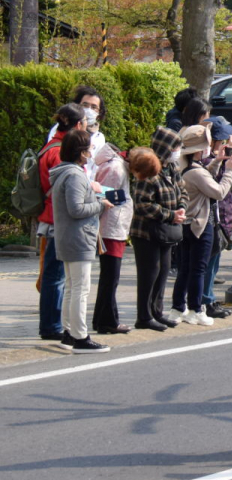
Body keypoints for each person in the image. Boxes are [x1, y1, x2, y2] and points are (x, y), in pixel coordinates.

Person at [50, 130, 116, 354]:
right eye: (88, 149)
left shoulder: (63, 172)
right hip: (79, 237)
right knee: (80, 289)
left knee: (72, 287)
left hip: (68, 236)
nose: (91, 152)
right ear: (81, 152)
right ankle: (80, 337)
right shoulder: (76, 175)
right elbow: (76, 209)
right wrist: (101, 205)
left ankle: (69, 333)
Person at [170, 125, 232, 326]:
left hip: (188, 224)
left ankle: (178, 307)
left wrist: (217, 162)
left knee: (185, 268)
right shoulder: (196, 172)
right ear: (199, 149)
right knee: (199, 269)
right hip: (201, 224)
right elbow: (218, 192)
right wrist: (229, 172)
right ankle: (196, 309)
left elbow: (204, 176)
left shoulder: (187, 167)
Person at [35, 103, 91, 343]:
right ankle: (53, 325)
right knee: (58, 278)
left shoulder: (50, 145)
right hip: (58, 220)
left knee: (56, 276)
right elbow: (69, 195)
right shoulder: (61, 152)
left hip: (50, 217)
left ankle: (55, 324)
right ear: (78, 125)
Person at [129, 137, 178, 331]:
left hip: (165, 230)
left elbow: (181, 190)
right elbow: (142, 204)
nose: (178, 151)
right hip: (146, 231)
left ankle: (157, 311)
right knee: (149, 272)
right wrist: (170, 215)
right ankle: (144, 316)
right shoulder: (147, 169)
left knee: (163, 270)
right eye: (175, 147)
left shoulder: (172, 168)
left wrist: (180, 208)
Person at [199, 116, 232, 319]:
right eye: (222, 141)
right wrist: (226, 166)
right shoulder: (204, 161)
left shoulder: (214, 159)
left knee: (213, 261)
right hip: (211, 217)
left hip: (220, 216)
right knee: (208, 262)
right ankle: (205, 299)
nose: (225, 145)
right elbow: (218, 188)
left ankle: (208, 298)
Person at [92, 142, 134, 335]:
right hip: (111, 226)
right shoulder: (116, 169)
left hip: (114, 225)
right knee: (111, 276)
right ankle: (108, 320)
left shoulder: (117, 166)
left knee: (109, 277)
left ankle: (102, 319)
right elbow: (102, 195)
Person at [45, 85, 107, 180]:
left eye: (94, 107)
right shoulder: (60, 129)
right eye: (85, 105)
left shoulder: (99, 138)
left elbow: (95, 167)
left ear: (99, 113)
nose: (89, 110)